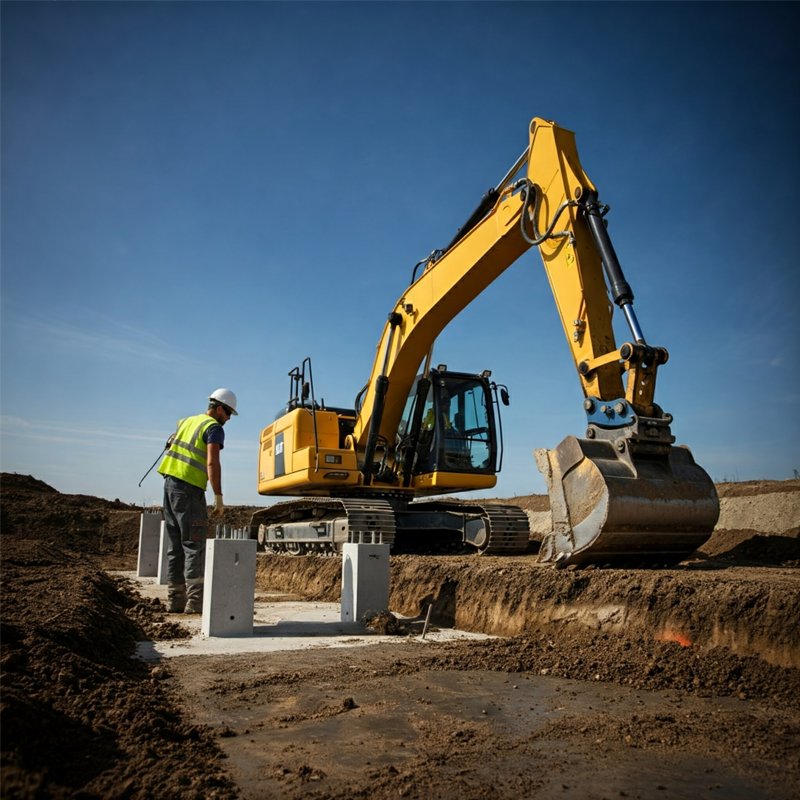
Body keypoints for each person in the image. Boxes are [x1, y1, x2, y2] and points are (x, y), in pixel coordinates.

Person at [157, 389, 238, 614]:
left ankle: (175, 601)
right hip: (189, 490)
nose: (229, 418)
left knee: (175, 547)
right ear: (219, 408)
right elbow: (212, 463)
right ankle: (195, 603)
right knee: (193, 545)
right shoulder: (214, 428)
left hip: (169, 486)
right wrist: (218, 497)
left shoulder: (186, 422)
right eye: (229, 413)